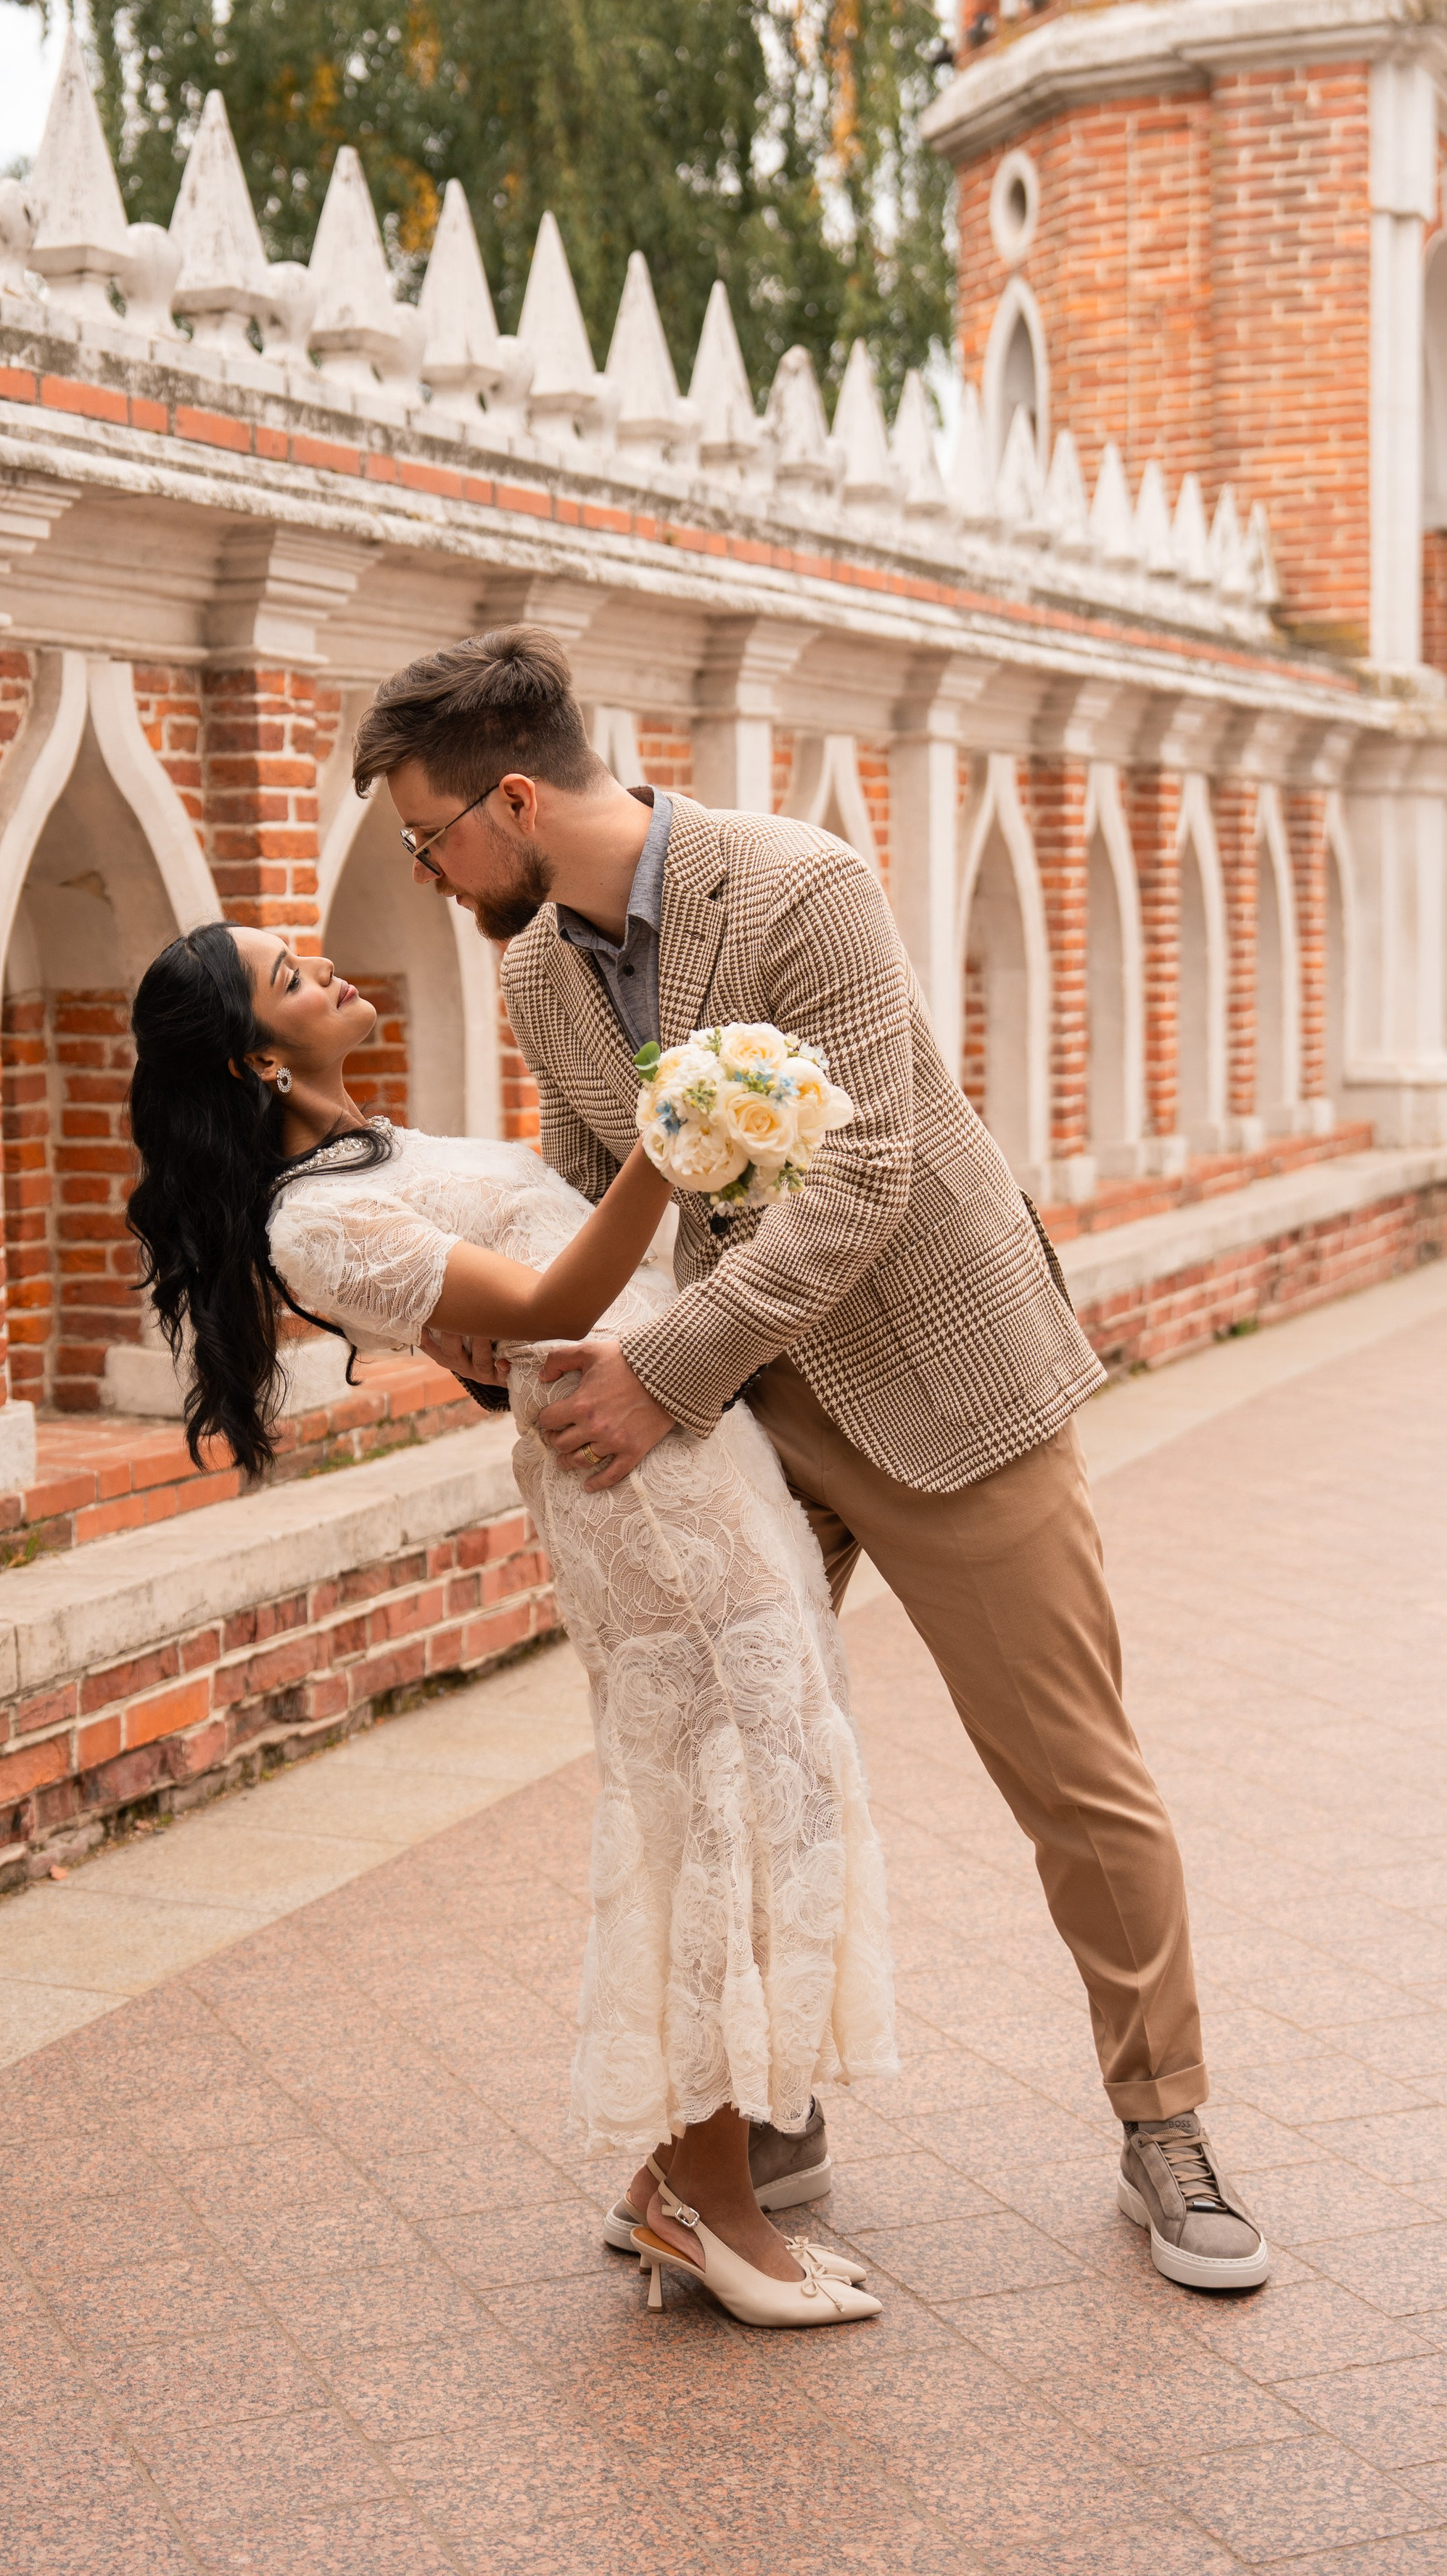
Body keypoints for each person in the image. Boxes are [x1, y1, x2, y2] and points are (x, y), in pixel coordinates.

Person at [353, 622, 1271, 2298]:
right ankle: (760, 2124)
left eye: (428, 837)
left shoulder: (797, 888)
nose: (423, 873)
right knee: (739, 1762)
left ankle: (1167, 2126)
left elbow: (860, 1181)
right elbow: (584, 1203)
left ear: (508, 795)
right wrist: (490, 1319)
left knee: (1068, 1773)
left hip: (939, 1386)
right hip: (744, 1423)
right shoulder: (538, 969)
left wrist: (659, 1379)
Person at [125, 921, 895, 2330]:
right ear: (251, 1057)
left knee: (764, 1790)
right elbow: (550, 1301)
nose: (331, 965)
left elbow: (515, 1308)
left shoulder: (377, 1158)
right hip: (635, 1497)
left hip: (685, 1455)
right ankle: (715, 2216)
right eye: (291, 979)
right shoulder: (311, 1217)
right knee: (711, 1819)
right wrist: (676, 1140)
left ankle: (676, 2184)